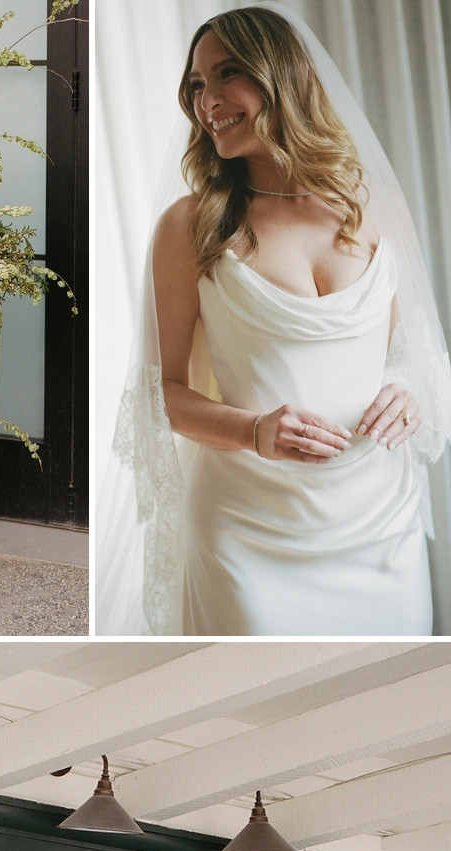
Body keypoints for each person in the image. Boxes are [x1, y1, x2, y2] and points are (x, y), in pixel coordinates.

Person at [97, 4, 451, 636]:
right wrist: (255, 430)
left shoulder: (377, 208)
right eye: (198, 84)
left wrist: (409, 394)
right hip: (247, 534)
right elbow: (160, 398)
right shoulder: (191, 225)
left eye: (226, 74)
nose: (208, 100)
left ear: (282, 76)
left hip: (382, 529)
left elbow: (414, 359)